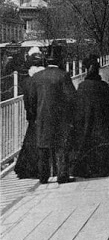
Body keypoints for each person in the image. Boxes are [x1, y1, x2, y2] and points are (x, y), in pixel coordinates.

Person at [30, 54, 77, 184]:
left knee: (43, 147)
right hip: (60, 117)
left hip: (42, 117)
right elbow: (71, 97)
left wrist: (35, 114)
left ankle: (43, 176)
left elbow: (32, 99)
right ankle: (62, 176)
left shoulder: (36, 77)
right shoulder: (63, 75)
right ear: (59, 61)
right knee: (61, 146)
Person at [72, 56, 109, 178]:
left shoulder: (82, 86)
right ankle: (106, 168)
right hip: (102, 123)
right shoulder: (103, 86)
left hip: (87, 123)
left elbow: (79, 108)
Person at [14, 52, 46, 179]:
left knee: (32, 143)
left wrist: (30, 114)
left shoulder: (28, 81)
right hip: (43, 115)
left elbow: (28, 101)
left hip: (33, 117)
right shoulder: (43, 79)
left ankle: (30, 168)